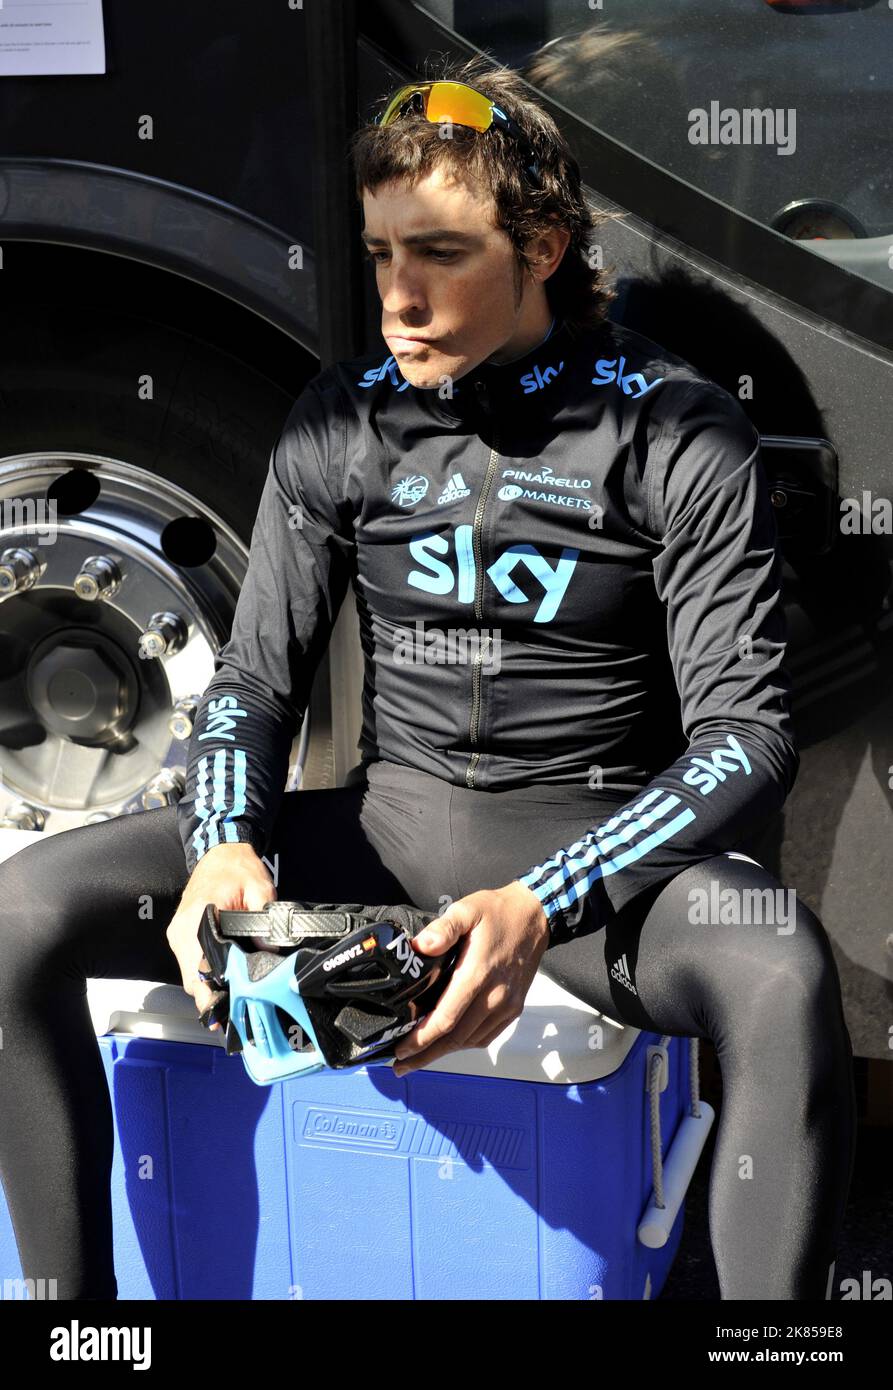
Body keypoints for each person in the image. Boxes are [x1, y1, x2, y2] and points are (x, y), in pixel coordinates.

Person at [0, 54, 855, 1302]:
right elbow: (250, 682)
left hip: (588, 873)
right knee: (19, 915)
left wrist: (543, 903)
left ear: (544, 245)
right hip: (384, 836)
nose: (397, 297)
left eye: (441, 254)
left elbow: (744, 738)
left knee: (780, 973)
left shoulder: (672, 430)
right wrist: (226, 843)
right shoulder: (337, 419)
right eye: (380, 252)